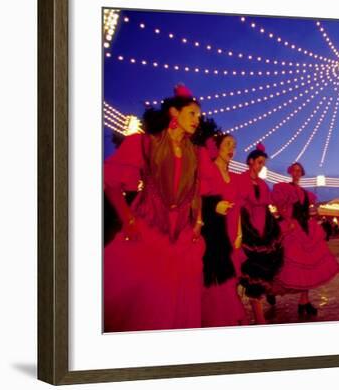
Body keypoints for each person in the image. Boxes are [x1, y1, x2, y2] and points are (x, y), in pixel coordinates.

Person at [103, 84, 205, 332]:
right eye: (192, 113)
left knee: (175, 303)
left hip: (182, 236)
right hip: (149, 230)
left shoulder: (195, 154)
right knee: (143, 304)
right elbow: (111, 182)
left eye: (199, 117)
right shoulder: (145, 144)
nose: (196, 120)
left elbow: (195, 191)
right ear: (174, 113)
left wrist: (198, 222)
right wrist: (127, 219)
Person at [271, 162, 339, 317]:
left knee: (308, 266)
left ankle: (304, 301)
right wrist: (287, 220)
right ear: (291, 172)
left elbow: (310, 210)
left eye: (299, 171)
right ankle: (271, 290)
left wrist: (313, 214)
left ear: (302, 173)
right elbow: (279, 207)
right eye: (294, 170)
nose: (296, 173)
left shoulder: (305, 193)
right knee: (285, 266)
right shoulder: (284, 188)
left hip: (306, 229)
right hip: (292, 228)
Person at [199, 133, 247, 327]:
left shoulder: (234, 178)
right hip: (214, 235)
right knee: (216, 284)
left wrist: (240, 233)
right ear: (217, 148)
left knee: (230, 281)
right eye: (227, 144)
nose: (231, 149)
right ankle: (216, 322)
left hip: (232, 235)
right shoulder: (208, 171)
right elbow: (198, 202)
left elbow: (238, 208)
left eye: (233, 145)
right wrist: (213, 207)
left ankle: (227, 320)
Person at [238, 144, 284, 324]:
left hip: (264, 228)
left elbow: (265, 204)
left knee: (261, 271)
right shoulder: (241, 179)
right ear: (250, 161)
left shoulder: (263, 184)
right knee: (251, 270)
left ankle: (258, 315)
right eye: (259, 162)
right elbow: (240, 202)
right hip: (247, 227)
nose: (261, 166)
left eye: (263, 163)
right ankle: (257, 316)